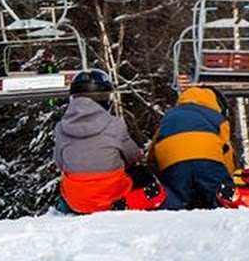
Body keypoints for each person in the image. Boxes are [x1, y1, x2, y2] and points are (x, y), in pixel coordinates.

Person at [53, 70, 166, 214]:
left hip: (76, 201)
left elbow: (60, 163)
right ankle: (124, 204)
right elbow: (133, 157)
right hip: (111, 195)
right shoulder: (115, 124)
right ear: (105, 99)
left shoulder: (61, 127)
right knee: (146, 180)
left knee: (70, 182)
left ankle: (73, 205)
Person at [147, 86, 249, 209]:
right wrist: (229, 174)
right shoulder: (217, 118)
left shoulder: (169, 117)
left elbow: (153, 150)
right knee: (215, 189)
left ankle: (164, 200)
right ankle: (227, 197)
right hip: (208, 159)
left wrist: (155, 170)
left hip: (172, 162)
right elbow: (226, 150)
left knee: (178, 196)